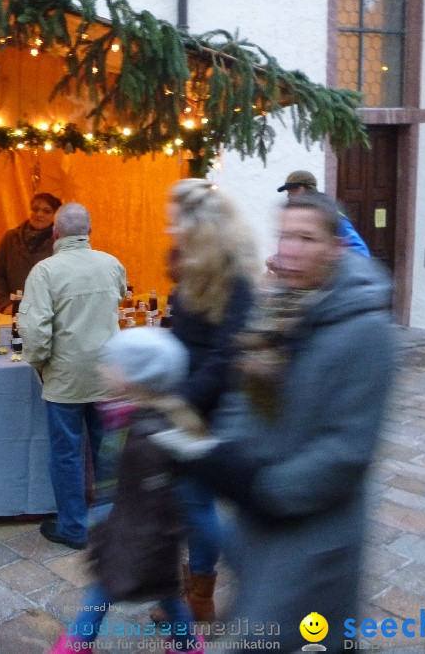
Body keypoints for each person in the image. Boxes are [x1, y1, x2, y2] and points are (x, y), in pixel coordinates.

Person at [155, 190, 396, 652]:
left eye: (306, 237)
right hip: (260, 527)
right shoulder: (280, 308)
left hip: (315, 535)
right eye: (284, 235)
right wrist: (219, 451)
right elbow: (243, 392)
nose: (288, 249)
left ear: (336, 247)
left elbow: (347, 452)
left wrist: (260, 484)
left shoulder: (369, 333)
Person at [48, 328, 202, 654]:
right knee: (165, 590)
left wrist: (116, 531)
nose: (102, 369)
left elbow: (153, 498)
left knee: (109, 585)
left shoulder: (148, 436)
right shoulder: (131, 415)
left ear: (136, 377)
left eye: (111, 364)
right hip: (131, 529)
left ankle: (77, 643)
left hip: (138, 535)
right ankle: (187, 645)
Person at [163, 178, 258, 622]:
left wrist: (182, 400)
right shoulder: (191, 268)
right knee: (191, 500)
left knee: (197, 501)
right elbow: (184, 334)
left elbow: (224, 357)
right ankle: (195, 588)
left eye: (177, 222)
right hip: (189, 400)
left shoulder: (236, 280)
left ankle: (207, 590)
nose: (171, 230)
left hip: (212, 407)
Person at [18, 202, 127, 550]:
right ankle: (109, 526)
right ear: (89, 232)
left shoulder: (45, 272)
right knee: (105, 452)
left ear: (55, 232)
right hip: (107, 374)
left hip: (65, 378)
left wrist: (37, 362)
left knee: (67, 454)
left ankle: (74, 527)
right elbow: (122, 295)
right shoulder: (111, 264)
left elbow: (35, 330)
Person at [0, 193, 62, 313]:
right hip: (15, 310)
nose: (39, 214)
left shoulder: (60, 242)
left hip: (49, 311)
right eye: (35, 209)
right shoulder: (11, 238)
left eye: (46, 211)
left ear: (56, 215)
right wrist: (5, 303)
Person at [278, 169, 370, 257]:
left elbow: (360, 251)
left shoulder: (327, 211)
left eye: (290, 191)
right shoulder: (299, 213)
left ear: (300, 190)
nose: (288, 196)